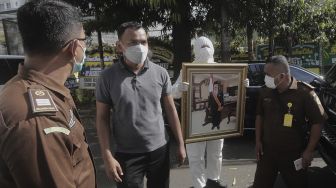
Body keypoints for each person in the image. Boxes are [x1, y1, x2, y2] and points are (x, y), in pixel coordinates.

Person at [0, 1, 96, 187]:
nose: (86, 47)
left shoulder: (38, 90)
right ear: (74, 47)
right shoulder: (38, 119)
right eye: (85, 41)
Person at [95, 21, 186, 188]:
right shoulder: (107, 77)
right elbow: (102, 118)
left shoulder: (161, 73)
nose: (140, 47)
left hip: (160, 149)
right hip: (127, 154)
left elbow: (171, 110)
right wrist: (107, 155)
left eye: (143, 42)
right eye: (133, 43)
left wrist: (180, 144)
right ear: (119, 46)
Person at [252, 55, 326, 188]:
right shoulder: (265, 91)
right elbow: (259, 116)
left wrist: (309, 151)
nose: (265, 78)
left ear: (282, 76)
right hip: (267, 153)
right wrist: (258, 141)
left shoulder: (304, 93)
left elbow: (318, 122)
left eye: (269, 75)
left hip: (293, 154)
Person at [172, 36, 227, 188]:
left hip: (217, 117)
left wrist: (241, 84)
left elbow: (229, 87)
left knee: (216, 152)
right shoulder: (187, 69)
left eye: (207, 45)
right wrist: (179, 88)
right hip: (194, 120)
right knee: (196, 156)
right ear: (195, 49)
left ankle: (213, 180)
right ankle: (199, 185)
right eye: (201, 46)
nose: (205, 48)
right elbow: (171, 93)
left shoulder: (223, 69)